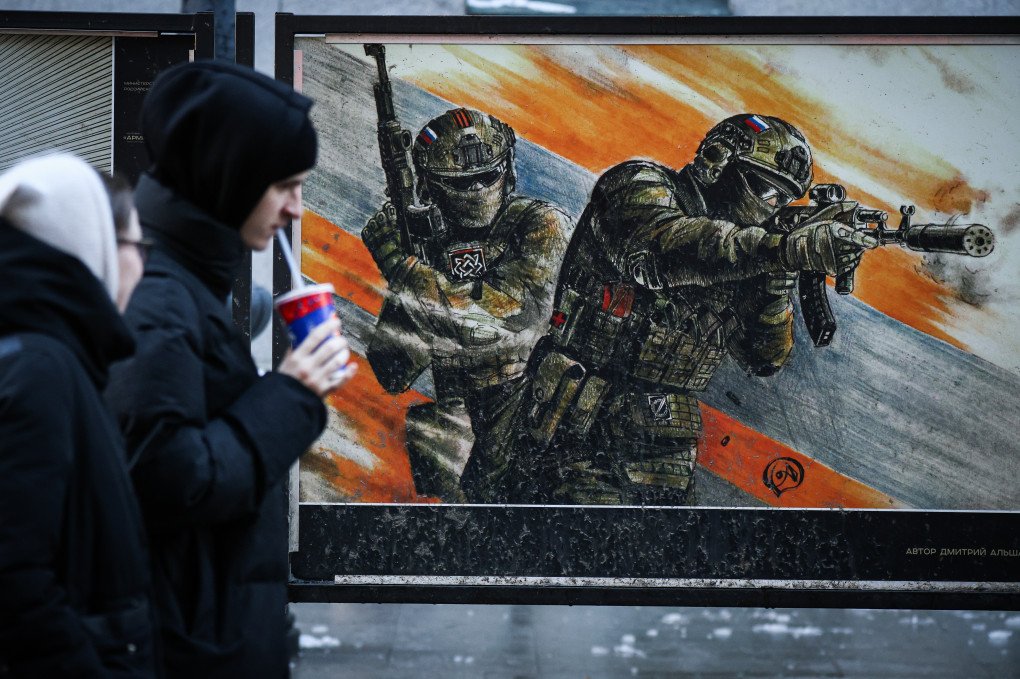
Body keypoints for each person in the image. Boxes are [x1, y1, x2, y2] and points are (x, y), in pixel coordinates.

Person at [461, 113, 875, 506]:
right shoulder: (638, 185)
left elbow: (763, 357)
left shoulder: (752, 253)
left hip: (662, 456)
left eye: (783, 199)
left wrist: (777, 279)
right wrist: (780, 249)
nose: (771, 207)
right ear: (718, 162)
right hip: (566, 431)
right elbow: (659, 251)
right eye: (765, 190)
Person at [104, 60, 355, 678]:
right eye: (284, 186)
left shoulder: (183, 281)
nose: (297, 208)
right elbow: (163, 478)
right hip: (185, 645)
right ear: (230, 179)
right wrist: (292, 395)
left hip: (203, 630)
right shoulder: (160, 298)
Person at [362, 108, 571, 502]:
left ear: (507, 172)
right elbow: (392, 369)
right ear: (429, 186)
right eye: (461, 182)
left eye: (487, 176)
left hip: (530, 413)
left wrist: (401, 266)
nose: (477, 190)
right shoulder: (430, 246)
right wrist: (414, 259)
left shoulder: (542, 225)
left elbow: (491, 323)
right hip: (459, 421)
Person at [0, 154, 155, 677]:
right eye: (138, 246)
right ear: (91, 248)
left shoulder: (52, 356)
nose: (142, 264)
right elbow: (17, 581)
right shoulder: (43, 370)